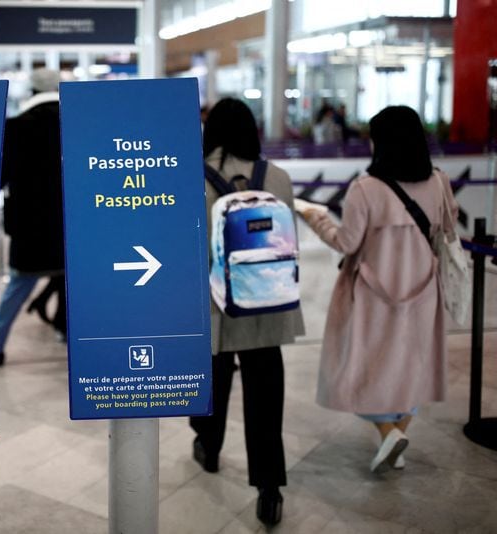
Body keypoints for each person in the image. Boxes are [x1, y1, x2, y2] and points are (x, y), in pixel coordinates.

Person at [302, 106, 454, 474]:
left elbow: (346, 243)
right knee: (410, 368)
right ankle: (396, 440)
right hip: (423, 291)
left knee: (357, 371)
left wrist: (316, 218)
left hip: (372, 296)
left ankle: (388, 432)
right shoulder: (439, 182)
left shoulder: (365, 189)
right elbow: (446, 233)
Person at [189, 98, 305, 526]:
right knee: (266, 395)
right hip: (266, 304)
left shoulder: (193, 178)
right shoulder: (277, 177)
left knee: (213, 381)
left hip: (217, 304)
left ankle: (209, 446)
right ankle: (270, 487)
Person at [0, 68, 66, 366]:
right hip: (70, 222)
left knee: (19, 283)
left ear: (32, 92)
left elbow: (2, 175)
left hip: (29, 223)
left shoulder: (16, 127)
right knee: (73, 282)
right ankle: (73, 336)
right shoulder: (74, 122)